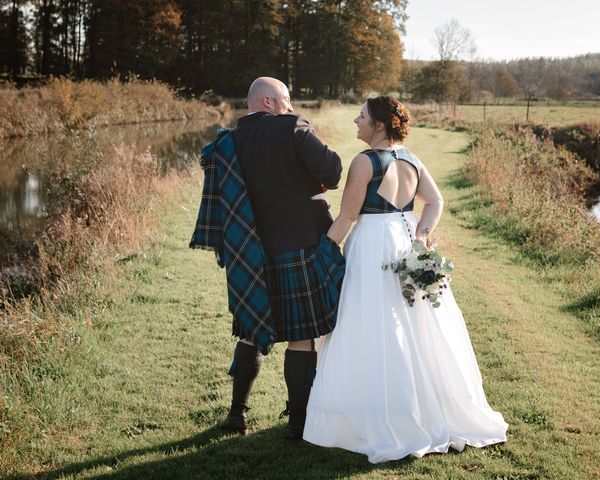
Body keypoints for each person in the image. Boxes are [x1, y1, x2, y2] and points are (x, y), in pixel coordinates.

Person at [303, 96, 508, 463]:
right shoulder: (410, 157)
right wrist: (421, 238)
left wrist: (322, 250)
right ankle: (419, 406)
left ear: (379, 125)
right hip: (403, 240)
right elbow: (435, 201)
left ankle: (377, 413)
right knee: (412, 322)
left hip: (372, 245)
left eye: (362, 117)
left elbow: (348, 216)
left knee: (372, 321)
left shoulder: (364, 162)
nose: (356, 121)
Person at [190, 77, 344, 439]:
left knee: (250, 333)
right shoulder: (293, 126)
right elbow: (332, 172)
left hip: (250, 252)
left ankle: (236, 415)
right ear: (270, 102)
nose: (289, 108)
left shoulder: (227, 142)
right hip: (300, 247)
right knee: (302, 336)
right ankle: (298, 423)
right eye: (286, 101)